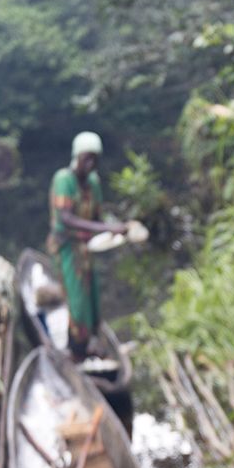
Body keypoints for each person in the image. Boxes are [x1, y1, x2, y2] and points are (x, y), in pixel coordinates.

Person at [45, 130, 146, 359]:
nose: (90, 164)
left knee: (91, 298)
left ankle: (90, 340)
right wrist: (107, 229)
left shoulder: (93, 182)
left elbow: (98, 218)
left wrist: (119, 228)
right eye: (86, 158)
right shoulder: (64, 180)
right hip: (67, 248)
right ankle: (76, 349)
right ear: (76, 157)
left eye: (94, 159)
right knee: (76, 299)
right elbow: (66, 218)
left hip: (87, 249)